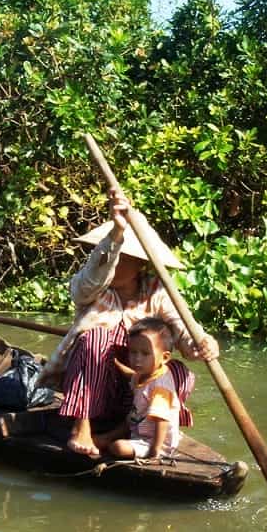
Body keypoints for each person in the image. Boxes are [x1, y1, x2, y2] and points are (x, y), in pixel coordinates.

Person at [41, 187, 219, 457]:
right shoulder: (92, 291)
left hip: (135, 395)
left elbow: (182, 331)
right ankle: (83, 426)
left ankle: (135, 431)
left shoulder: (156, 292)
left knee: (179, 371)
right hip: (95, 391)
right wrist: (116, 234)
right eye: (112, 257)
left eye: (122, 258)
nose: (113, 265)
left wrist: (202, 344)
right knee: (96, 339)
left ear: (139, 264)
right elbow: (93, 274)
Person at [99, 317, 187, 460]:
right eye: (133, 352)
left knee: (117, 447)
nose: (137, 359)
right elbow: (131, 376)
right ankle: (108, 437)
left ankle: (111, 440)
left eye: (145, 354)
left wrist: (154, 451)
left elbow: (161, 420)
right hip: (139, 425)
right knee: (127, 422)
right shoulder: (146, 373)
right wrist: (115, 363)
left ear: (165, 357)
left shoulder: (160, 387)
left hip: (155, 441)